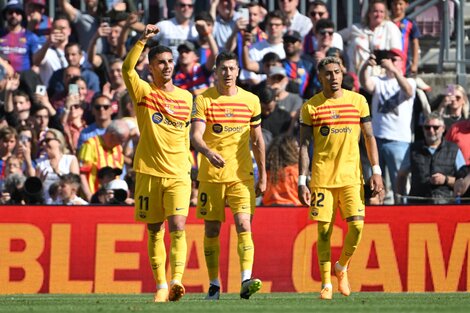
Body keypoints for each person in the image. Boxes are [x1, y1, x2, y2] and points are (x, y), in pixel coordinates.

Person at [298, 56, 383, 300]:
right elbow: (303, 145)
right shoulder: (311, 107)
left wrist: (376, 171)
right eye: (328, 73)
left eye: (337, 72)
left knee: (356, 227)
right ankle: (326, 284)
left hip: (351, 178)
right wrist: (302, 180)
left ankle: (342, 266)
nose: (333, 77)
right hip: (322, 178)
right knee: (324, 232)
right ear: (320, 77)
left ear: (342, 73)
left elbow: (369, 137)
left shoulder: (358, 101)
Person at [122, 24, 193, 303]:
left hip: (178, 172)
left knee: (178, 226)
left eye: (169, 62)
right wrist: (141, 41)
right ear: (150, 67)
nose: (166, 66)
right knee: (154, 230)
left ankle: (176, 280)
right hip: (148, 172)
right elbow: (127, 69)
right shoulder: (143, 92)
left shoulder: (187, 98)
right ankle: (161, 285)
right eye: (160, 62)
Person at [190, 51, 267, 300]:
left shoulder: (251, 100)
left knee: (244, 224)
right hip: (211, 175)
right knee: (212, 230)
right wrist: (207, 151)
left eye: (232, 68)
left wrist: (263, 174)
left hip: (241, 175)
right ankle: (214, 285)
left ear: (238, 72)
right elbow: (195, 136)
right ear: (215, 72)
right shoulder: (203, 100)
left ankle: (246, 279)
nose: (228, 73)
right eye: (223, 69)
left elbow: (257, 140)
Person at [359, 48, 415, 203]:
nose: (390, 61)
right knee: (375, 182)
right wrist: (365, 66)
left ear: (402, 63)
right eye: (388, 58)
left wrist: (394, 70)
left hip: (398, 140)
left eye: (394, 59)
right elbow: (365, 83)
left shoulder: (410, 81)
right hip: (377, 139)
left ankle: (401, 211)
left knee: (400, 182)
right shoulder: (379, 80)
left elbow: (408, 91)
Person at [396, 112, 466, 204]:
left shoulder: (454, 149)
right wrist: (401, 200)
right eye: (427, 127)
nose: (431, 130)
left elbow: (463, 181)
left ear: (443, 129)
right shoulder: (413, 149)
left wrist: (445, 179)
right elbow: (401, 176)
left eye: (435, 127)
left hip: (445, 204)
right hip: (417, 204)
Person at [78, 119, 129, 202]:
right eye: (121, 139)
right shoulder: (90, 145)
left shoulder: (118, 149)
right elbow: (82, 174)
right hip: (93, 199)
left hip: (112, 201)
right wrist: (89, 197)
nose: (122, 143)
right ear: (112, 135)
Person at [262, 135, 302, 206]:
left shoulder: (266, 175)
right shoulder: (297, 172)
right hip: (295, 210)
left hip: (269, 210)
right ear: (291, 150)